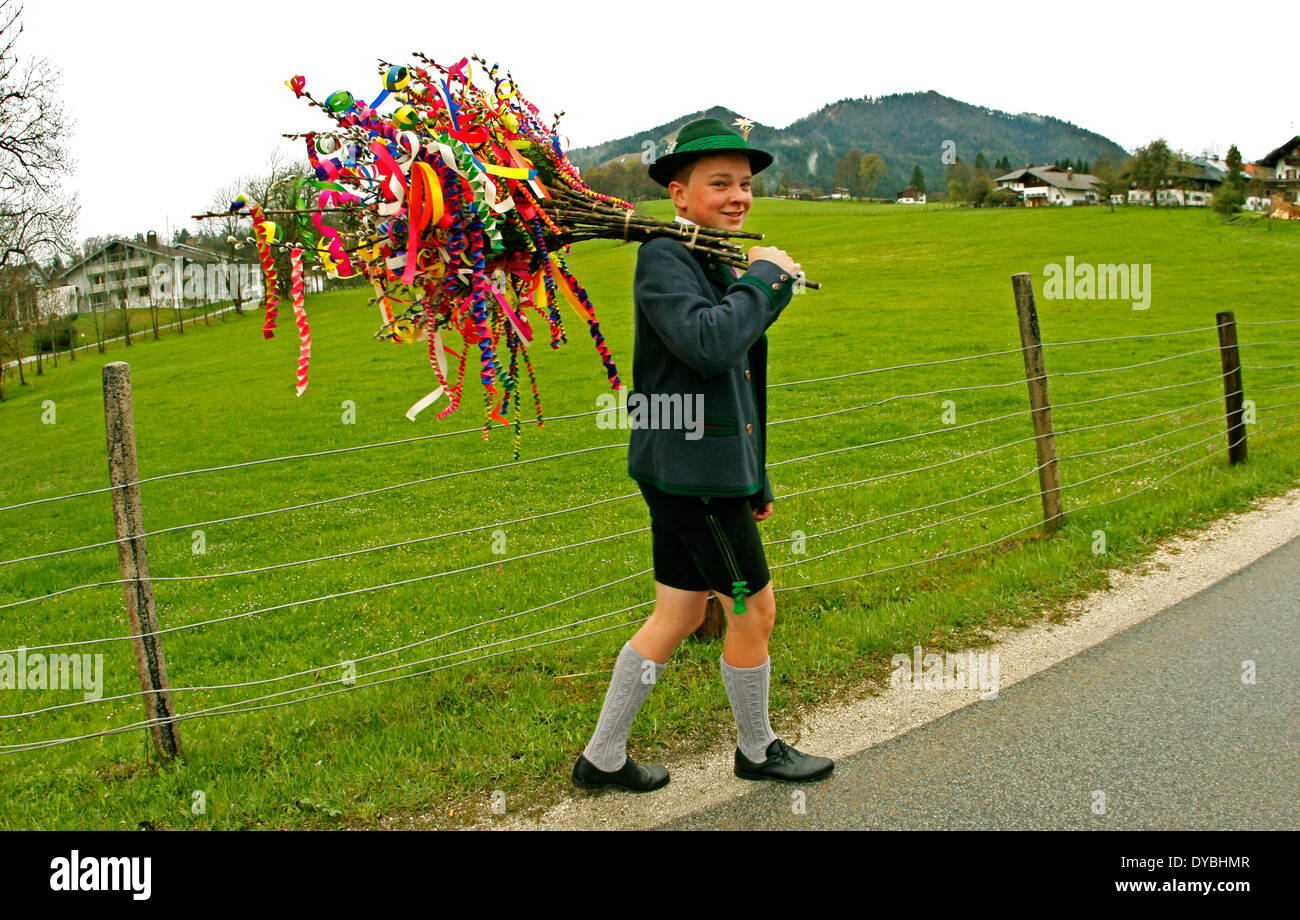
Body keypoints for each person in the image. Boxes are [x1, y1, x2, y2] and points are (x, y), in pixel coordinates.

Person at [572, 118, 834, 792]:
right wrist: (768, 282)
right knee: (754, 610)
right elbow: (708, 342)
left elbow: (740, 382)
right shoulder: (664, 257)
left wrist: (758, 474)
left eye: (745, 183)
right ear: (679, 193)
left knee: (681, 613)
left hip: (701, 468)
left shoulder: (714, 256)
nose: (738, 195)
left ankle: (601, 757)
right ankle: (757, 748)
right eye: (720, 183)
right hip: (694, 473)